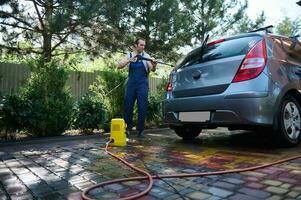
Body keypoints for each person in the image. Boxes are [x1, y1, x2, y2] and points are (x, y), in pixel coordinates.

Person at [117, 38, 157, 137]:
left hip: (142, 85)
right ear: (136, 45)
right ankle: (128, 128)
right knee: (128, 105)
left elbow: (152, 69)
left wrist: (154, 65)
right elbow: (119, 65)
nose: (143, 47)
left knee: (142, 106)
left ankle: (140, 130)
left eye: (144, 45)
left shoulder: (146, 56)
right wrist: (129, 60)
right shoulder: (129, 55)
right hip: (131, 84)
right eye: (141, 45)